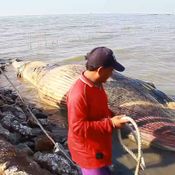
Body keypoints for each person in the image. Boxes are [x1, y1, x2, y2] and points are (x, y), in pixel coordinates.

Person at [66, 47, 129, 175]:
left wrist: (113, 116)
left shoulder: (97, 84)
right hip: (88, 153)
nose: (111, 74)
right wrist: (110, 124)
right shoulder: (79, 94)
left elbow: (99, 108)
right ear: (100, 70)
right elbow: (77, 127)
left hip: (99, 148)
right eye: (111, 70)